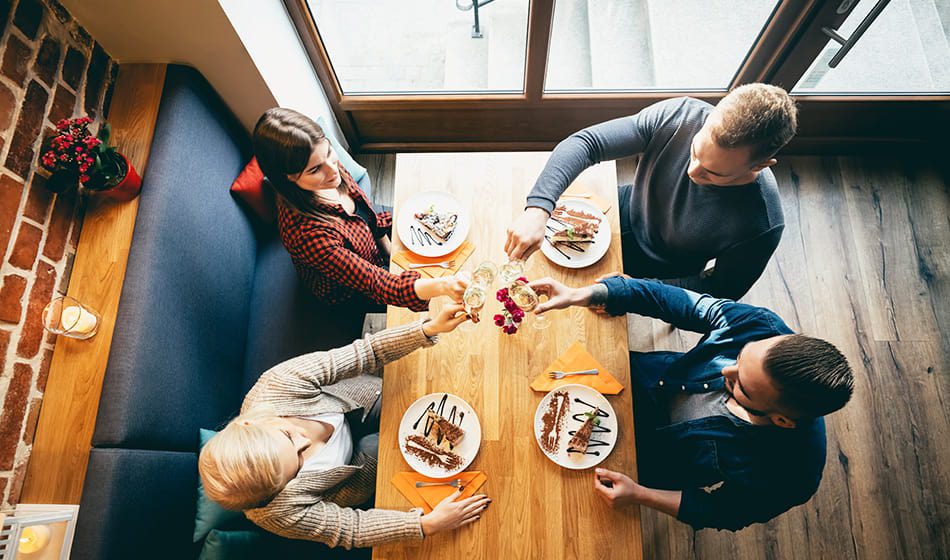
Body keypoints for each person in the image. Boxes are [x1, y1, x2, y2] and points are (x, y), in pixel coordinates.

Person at [529, 274, 854, 531]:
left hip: (648, 461)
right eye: (739, 357)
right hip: (635, 380)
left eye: (741, 385)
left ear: (782, 420)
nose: (726, 369)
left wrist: (640, 495)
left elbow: (724, 512)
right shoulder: (762, 327)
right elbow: (676, 302)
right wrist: (581, 294)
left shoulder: (793, 474)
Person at [198, 304, 491, 549]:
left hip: (361, 400)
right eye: (298, 463)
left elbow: (367, 353)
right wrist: (426, 524)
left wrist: (427, 329)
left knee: (424, 404)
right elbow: (351, 528)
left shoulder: (278, 385)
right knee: (380, 450)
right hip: (354, 473)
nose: (305, 442)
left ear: (251, 423)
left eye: (287, 435)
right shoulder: (275, 513)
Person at [507, 84, 797, 300]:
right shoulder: (682, 114)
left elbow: (719, 291)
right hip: (621, 212)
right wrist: (538, 209)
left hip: (661, 274)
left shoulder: (762, 225)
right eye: (695, 152)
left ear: (761, 165)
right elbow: (587, 143)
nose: (692, 172)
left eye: (713, 173)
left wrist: (636, 289)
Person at [254, 108, 466, 312]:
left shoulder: (327, 170)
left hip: (370, 246)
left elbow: (367, 214)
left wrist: (387, 248)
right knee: (437, 299)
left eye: (329, 152)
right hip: (349, 291)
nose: (332, 169)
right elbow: (376, 283)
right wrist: (443, 286)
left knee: (446, 230)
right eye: (315, 169)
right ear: (288, 178)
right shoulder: (307, 235)